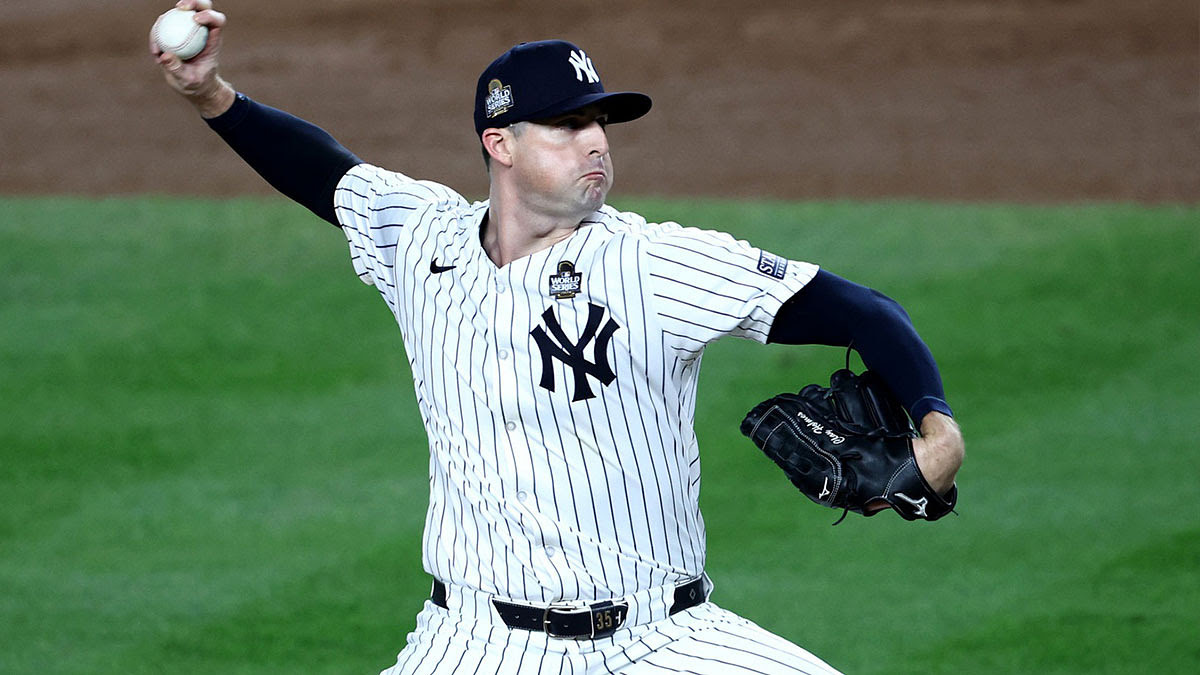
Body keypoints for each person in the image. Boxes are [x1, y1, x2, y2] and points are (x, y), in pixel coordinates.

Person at [152, 2, 964, 673]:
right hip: (473, 642)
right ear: (498, 144)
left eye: (601, 122)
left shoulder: (655, 263)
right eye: (568, 126)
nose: (598, 141)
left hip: (665, 638)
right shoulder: (420, 240)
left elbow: (865, 311)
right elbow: (322, 171)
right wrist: (210, 93)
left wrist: (937, 425)